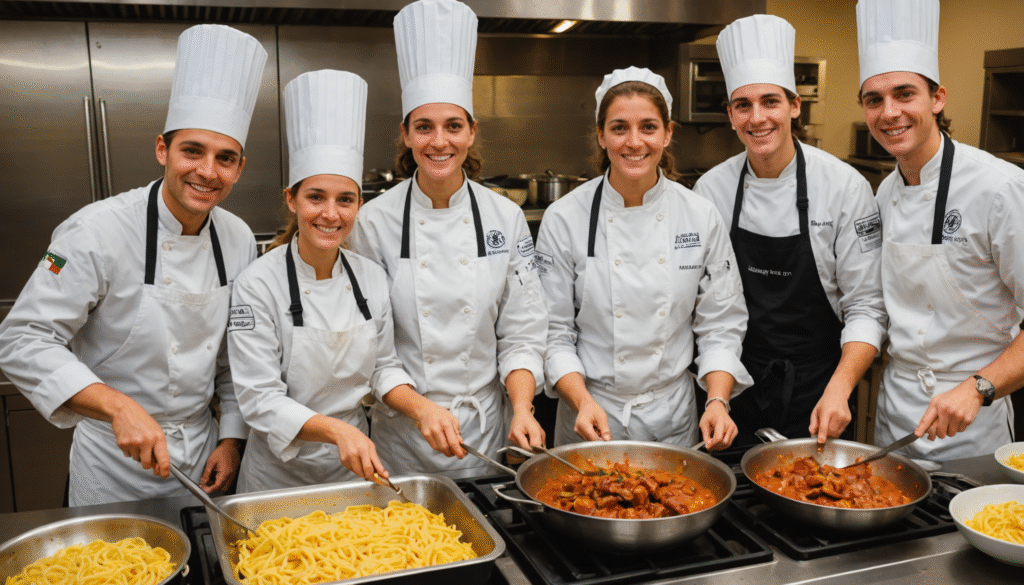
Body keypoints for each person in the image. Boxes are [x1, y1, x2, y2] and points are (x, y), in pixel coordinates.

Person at [0, 25, 266, 505]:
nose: (208, 172)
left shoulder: (239, 238)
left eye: (225, 159)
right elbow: (21, 339)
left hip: (204, 461)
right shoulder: (94, 232)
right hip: (112, 465)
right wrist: (116, 406)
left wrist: (231, 438)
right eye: (192, 151)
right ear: (162, 149)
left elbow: (234, 355)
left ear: (240, 168)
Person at [348, 0, 547, 479]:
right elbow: (371, 352)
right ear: (406, 134)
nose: (440, 141)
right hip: (401, 439)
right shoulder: (371, 223)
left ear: (472, 132)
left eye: (453, 126)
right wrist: (421, 410)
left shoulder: (505, 215)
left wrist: (523, 408)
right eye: (425, 127)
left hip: (487, 437)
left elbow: (520, 334)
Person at [692, 15, 886, 446]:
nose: (757, 117)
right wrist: (717, 398)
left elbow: (867, 308)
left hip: (822, 387)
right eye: (743, 105)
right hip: (734, 383)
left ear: (795, 106)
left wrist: (841, 388)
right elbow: (708, 306)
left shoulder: (843, 187)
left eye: (770, 102)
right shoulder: (711, 190)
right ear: (730, 115)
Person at [534, 66, 750, 450]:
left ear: (667, 133)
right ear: (601, 136)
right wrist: (582, 402)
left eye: (648, 127)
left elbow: (720, 324)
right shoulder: (565, 218)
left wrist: (717, 400)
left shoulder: (699, 215)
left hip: (673, 415)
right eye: (619, 128)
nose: (634, 142)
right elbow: (554, 332)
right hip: (588, 413)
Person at [226, 70, 419, 492]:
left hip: (351, 470)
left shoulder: (370, 277)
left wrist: (422, 408)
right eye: (316, 197)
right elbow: (259, 400)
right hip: (276, 475)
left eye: (344, 199)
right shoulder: (257, 284)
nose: (330, 214)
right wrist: (337, 431)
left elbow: (385, 367)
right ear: (291, 199)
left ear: (358, 206)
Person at [855, 0, 1022, 461]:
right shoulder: (884, 193)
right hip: (896, 418)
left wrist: (978, 388)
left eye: (904, 94)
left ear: (937, 98)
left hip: (975, 422)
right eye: (874, 100)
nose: (890, 112)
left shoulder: (999, 188)